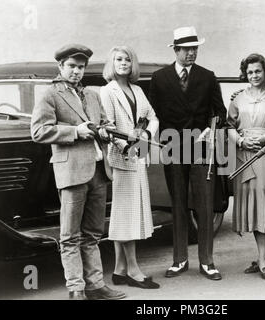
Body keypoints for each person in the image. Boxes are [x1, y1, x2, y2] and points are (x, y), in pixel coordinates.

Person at [30, 44, 126, 300]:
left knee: (93, 233)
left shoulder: (92, 95)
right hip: (72, 173)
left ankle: (95, 285)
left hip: (97, 170)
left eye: (81, 67)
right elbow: (38, 131)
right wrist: (75, 132)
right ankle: (76, 289)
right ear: (60, 67)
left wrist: (106, 131)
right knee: (70, 235)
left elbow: (105, 123)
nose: (76, 71)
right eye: (72, 66)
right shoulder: (50, 94)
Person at [149, 26, 227, 281]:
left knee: (204, 205)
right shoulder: (160, 78)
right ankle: (179, 259)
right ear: (176, 50)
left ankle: (207, 261)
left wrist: (210, 128)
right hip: (172, 146)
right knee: (178, 204)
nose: (192, 53)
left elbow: (220, 112)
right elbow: (152, 115)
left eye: (195, 48)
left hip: (202, 147)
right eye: (187, 49)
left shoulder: (208, 76)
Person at [99, 46, 160, 289]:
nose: (123, 63)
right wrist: (129, 145)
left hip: (138, 154)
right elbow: (109, 127)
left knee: (125, 213)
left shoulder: (137, 89)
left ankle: (119, 270)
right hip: (122, 157)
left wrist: (144, 134)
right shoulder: (107, 91)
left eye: (127, 59)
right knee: (126, 214)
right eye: (118, 59)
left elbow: (153, 117)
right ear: (111, 63)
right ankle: (134, 270)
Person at [228, 53, 265, 280]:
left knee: (263, 202)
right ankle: (262, 256)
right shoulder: (238, 98)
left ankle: (263, 259)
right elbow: (229, 126)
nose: (254, 75)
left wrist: (264, 140)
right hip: (243, 155)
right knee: (251, 204)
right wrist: (241, 141)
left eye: (258, 71)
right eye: (250, 72)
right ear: (246, 74)